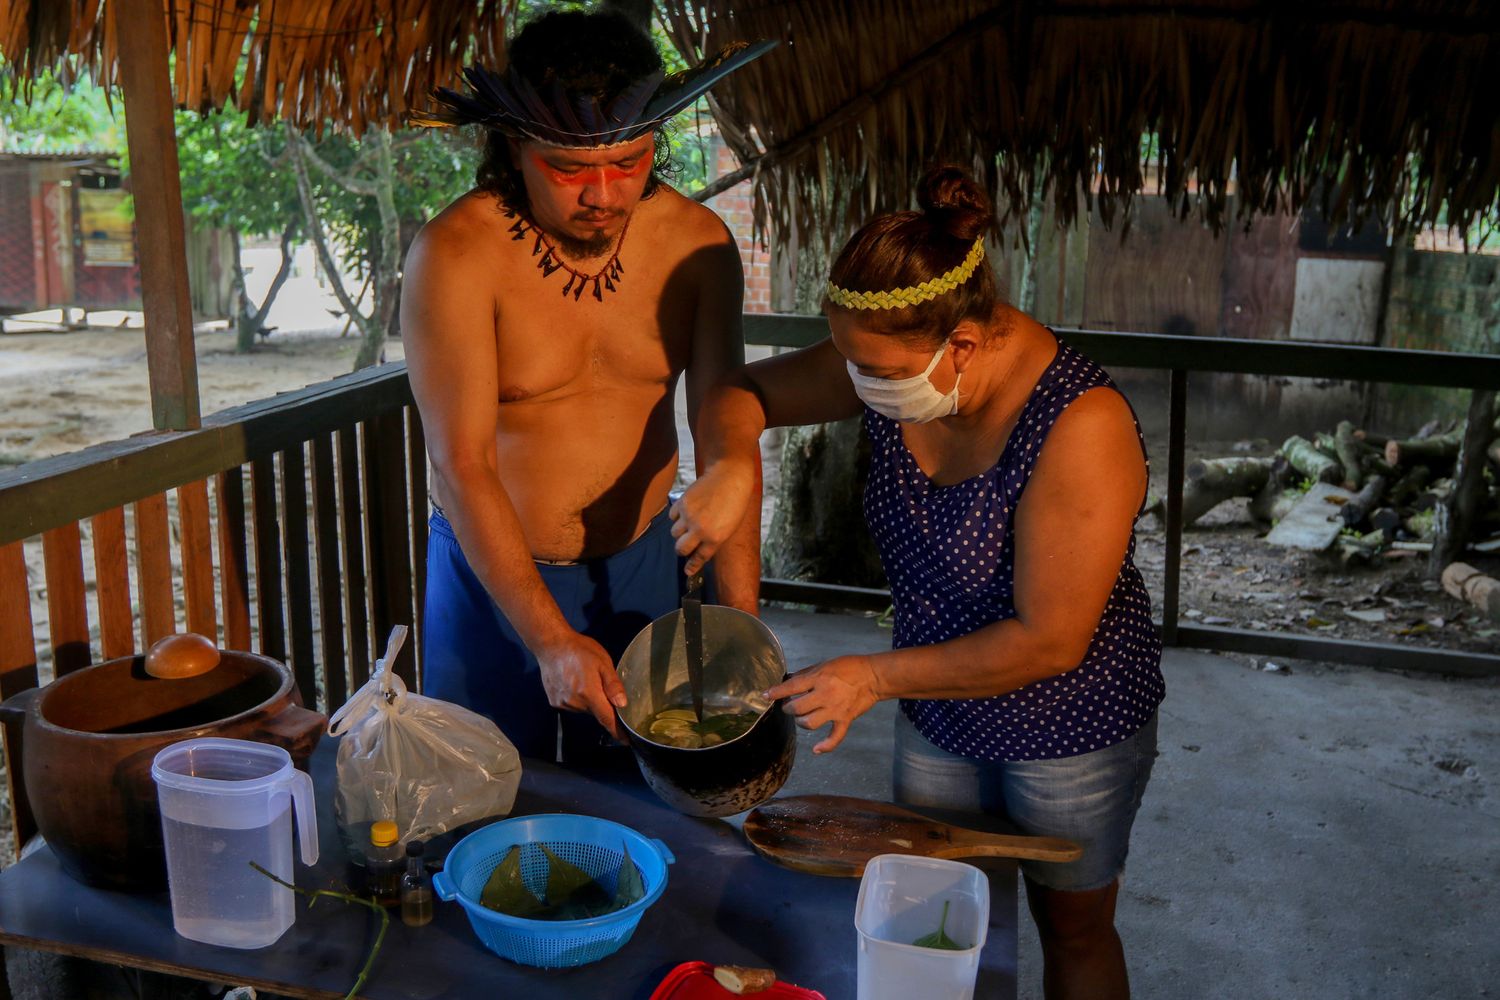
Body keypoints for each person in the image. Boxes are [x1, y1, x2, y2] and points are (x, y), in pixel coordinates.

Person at [671, 166, 1165, 1000]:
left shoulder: (1082, 425)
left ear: (961, 345)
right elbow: (739, 394)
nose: (855, 383)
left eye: (870, 368)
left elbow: (1052, 639)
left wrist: (871, 676)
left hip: (1071, 720)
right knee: (930, 916)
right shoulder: (890, 358)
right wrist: (726, 468)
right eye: (847, 361)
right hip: (935, 706)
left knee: (1072, 929)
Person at [402, 10, 771, 763]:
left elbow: (726, 427)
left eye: (630, 163)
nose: (602, 194)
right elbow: (461, 462)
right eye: (569, 171)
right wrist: (550, 637)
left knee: (647, 813)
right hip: (490, 578)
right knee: (488, 807)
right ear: (513, 147)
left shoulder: (699, 246)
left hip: (641, 568)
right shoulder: (456, 254)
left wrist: (744, 632)